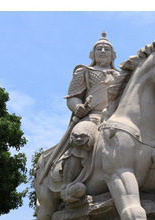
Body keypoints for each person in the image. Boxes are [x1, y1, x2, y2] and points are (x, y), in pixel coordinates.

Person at [50, 33, 121, 202]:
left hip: (116, 117)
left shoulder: (121, 76)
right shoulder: (85, 72)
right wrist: (78, 107)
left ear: (113, 55)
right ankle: (68, 186)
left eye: (106, 49)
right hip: (93, 117)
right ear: (92, 54)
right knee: (81, 136)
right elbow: (73, 97)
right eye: (99, 48)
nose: (102, 51)